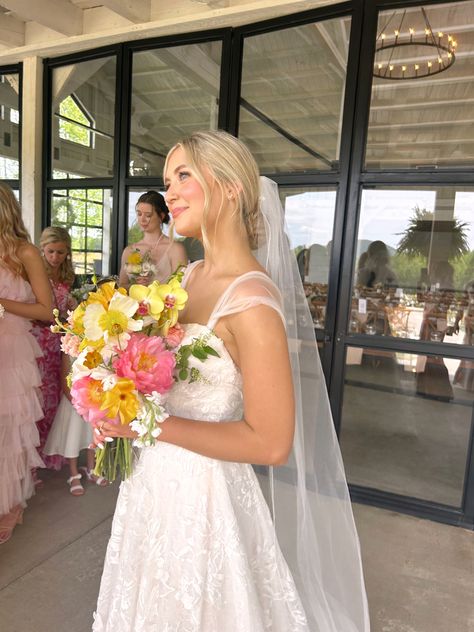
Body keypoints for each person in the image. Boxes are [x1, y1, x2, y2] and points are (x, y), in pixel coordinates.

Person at [92, 131, 370, 631]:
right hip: (151, 486)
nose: (169, 193)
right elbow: (156, 373)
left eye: (183, 176)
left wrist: (148, 425)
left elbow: (270, 443)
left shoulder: (253, 303)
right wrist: (116, 399)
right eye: (166, 180)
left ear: (231, 188)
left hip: (204, 501)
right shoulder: (187, 277)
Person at [0, 184, 52, 544]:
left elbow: (47, 311)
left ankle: (9, 507)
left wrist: (3, 303)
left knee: (9, 434)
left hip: (11, 353)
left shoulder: (25, 253)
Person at [31, 226, 76, 472]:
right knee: (38, 399)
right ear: (42, 249)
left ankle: (50, 454)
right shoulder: (35, 273)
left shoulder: (68, 275)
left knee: (55, 398)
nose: (55, 257)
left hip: (60, 343)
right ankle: (33, 460)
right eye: (50, 251)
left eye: (61, 252)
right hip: (40, 342)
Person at [44, 353, 108, 495]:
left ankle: (92, 468)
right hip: (74, 402)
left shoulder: (96, 346)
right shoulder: (68, 351)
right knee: (73, 438)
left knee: (92, 436)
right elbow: (64, 378)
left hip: (93, 399)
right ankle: (73, 474)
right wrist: (76, 403)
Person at [118, 190, 187, 288]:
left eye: (148, 215)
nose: (142, 220)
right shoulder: (129, 251)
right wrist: (136, 286)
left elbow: (182, 287)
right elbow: (122, 286)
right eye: (139, 214)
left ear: (161, 216)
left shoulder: (176, 249)